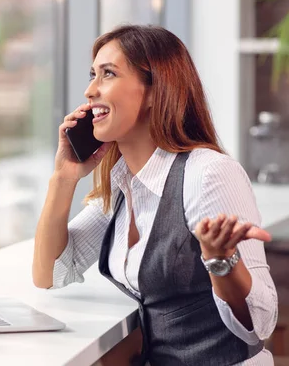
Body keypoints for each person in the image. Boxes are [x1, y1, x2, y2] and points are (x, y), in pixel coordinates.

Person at [32, 25, 278, 366]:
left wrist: (221, 261)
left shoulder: (207, 173)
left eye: (108, 74)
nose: (90, 91)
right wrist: (63, 178)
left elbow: (261, 324)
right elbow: (50, 273)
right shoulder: (125, 183)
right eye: (93, 75)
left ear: (153, 90)